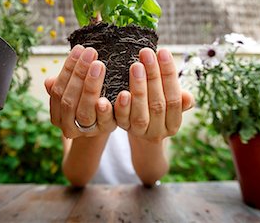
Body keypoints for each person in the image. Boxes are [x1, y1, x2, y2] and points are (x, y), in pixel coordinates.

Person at [44, 45, 194, 187]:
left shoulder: (153, 92)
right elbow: (76, 176)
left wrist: (143, 128)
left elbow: (151, 175)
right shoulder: (77, 93)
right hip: (91, 197)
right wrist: (92, 122)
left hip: (142, 199)